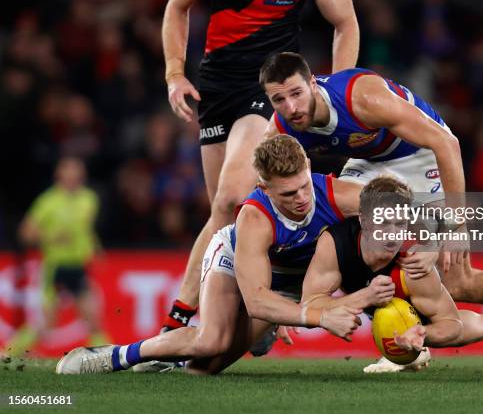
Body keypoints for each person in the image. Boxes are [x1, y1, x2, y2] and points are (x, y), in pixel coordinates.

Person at [260, 52, 483, 375]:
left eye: (296, 93)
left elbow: (447, 143)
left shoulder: (363, 98)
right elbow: (272, 199)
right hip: (370, 163)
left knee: (458, 281)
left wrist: (453, 228)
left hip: (421, 155)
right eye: (279, 99)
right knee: (349, 236)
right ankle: (407, 342)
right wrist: (290, 308)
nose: (290, 107)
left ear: (313, 84)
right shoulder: (281, 129)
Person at [160, 0, 359, 335]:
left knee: (231, 198)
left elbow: (346, 22)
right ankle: (258, 311)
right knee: (225, 215)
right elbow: (175, 7)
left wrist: (338, 86)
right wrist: (174, 73)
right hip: (216, 90)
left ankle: (177, 321)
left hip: (266, 90)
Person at [56, 135, 362, 375]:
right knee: (211, 341)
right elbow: (256, 300)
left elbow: (405, 208)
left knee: (203, 369)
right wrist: (321, 317)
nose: (302, 199)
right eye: (288, 194)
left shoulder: (340, 194)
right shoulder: (255, 216)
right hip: (236, 261)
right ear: (264, 188)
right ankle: (117, 356)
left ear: (308, 166)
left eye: (304, 186)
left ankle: (176, 358)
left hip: (287, 283)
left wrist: (412, 253)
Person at [301, 176, 483, 366]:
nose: (393, 234)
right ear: (363, 219)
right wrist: (365, 297)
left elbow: (451, 324)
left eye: (400, 224)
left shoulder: (413, 262)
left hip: (406, 288)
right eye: (384, 223)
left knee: (435, 322)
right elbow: (308, 306)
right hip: (370, 287)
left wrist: (423, 334)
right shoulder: (335, 243)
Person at [4, 157, 108, 357]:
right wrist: (51, 237)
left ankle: (106, 358)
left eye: (77, 171)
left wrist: (95, 248)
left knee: (93, 317)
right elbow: (25, 233)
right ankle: (8, 352)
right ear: (58, 174)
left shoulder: (89, 199)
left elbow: (86, 230)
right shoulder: (48, 202)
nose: (73, 176)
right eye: (68, 171)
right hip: (56, 267)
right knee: (47, 321)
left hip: (78, 266)